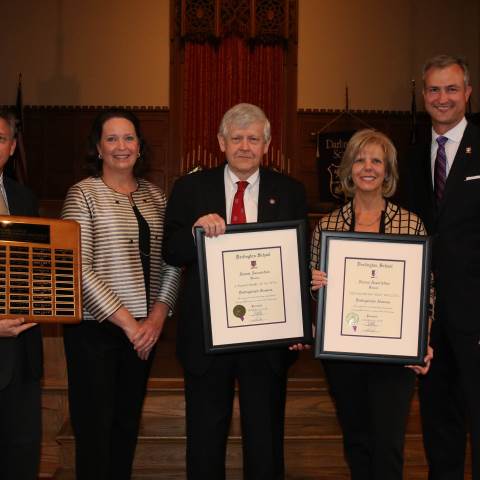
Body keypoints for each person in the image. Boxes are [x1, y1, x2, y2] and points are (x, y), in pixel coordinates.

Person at [163, 103, 307, 479]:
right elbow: (169, 249)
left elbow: (299, 261)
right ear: (221, 142)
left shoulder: (290, 191)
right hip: (207, 340)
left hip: (268, 340)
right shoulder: (190, 187)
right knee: (205, 443)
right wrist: (196, 230)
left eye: (253, 138)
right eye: (237, 138)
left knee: (265, 444)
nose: (245, 146)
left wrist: (299, 324)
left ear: (268, 143)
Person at [61, 110, 181, 480]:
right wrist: (131, 325)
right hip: (95, 333)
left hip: (144, 335)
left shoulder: (156, 197)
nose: (121, 146)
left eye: (128, 138)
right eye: (111, 139)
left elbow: (172, 262)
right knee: (95, 432)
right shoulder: (83, 194)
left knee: (126, 426)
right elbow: (78, 268)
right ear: (98, 147)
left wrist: (158, 316)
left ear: (140, 146)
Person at [311, 129, 433, 480]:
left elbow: (428, 290)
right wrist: (316, 285)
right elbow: (314, 289)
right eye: (360, 160)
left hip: (393, 356)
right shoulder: (328, 225)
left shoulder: (411, 224)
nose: (368, 167)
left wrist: (422, 337)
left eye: (376, 160)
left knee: (389, 445)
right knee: (357, 442)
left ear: (388, 171)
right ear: (348, 169)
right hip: (343, 354)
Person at [407, 54, 479, 480]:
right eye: (434, 89)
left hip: (476, 317)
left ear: (468, 93)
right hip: (428, 321)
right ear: (423, 96)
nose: (443, 98)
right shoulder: (411, 157)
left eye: (452, 89)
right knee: (439, 425)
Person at [0, 109, 43, 480]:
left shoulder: (24, 198)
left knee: (22, 455)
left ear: (12, 146)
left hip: (24, 357)